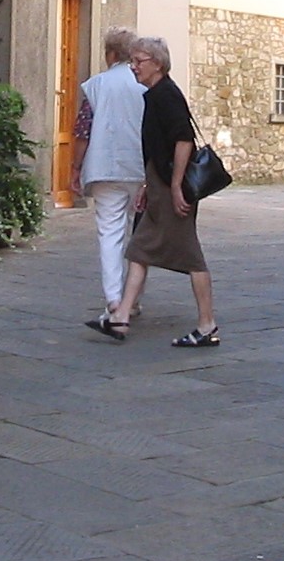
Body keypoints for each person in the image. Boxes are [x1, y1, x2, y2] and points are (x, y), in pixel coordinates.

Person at [86, 36, 218, 347]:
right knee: (139, 249)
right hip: (160, 184)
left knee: (191, 257)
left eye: (138, 61)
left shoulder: (166, 95)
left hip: (174, 187)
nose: (133, 67)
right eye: (132, 60)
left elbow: (183, 140)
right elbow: (157, 147)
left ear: (157, 64)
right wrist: (149, 183)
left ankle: (207, 324)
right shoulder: (154, 94)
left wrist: (174, 186)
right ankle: (120, 317)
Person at [70, 27, 147, 320]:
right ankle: (134, 299)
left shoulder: (96, 85)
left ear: (111, 54)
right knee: (139, 236)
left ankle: (115, 299)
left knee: (110, 233)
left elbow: (82, 130)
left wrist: (76, 168)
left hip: (103, 168)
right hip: (139, 170)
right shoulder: (145, 84)